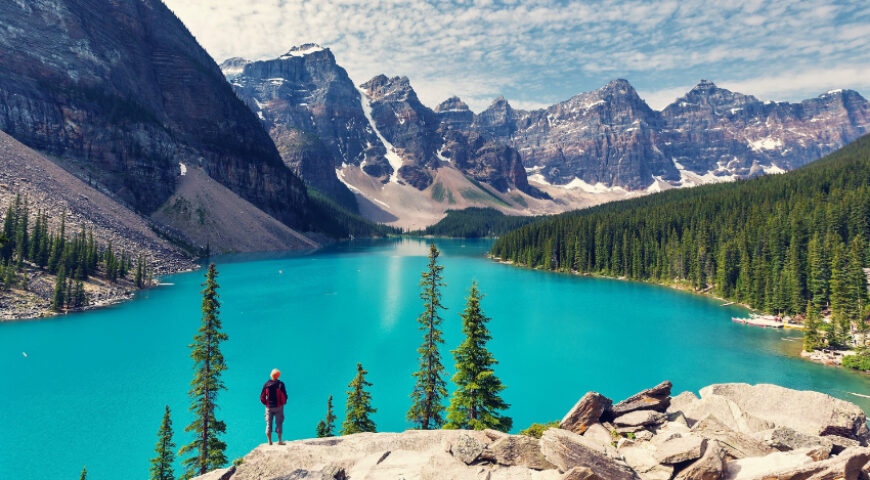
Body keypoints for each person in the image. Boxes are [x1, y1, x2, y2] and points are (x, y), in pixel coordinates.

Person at [260, 368, 288, 445]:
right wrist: (283, 403)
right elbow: (285, 396)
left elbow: (262, 397)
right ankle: (279, 441)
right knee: (279, 423)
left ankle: (269, 441)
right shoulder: (281, 384)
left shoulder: (266, 384)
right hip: (279, 406)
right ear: (278, 375)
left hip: (269, 407)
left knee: (269, 424)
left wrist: (266, 403)